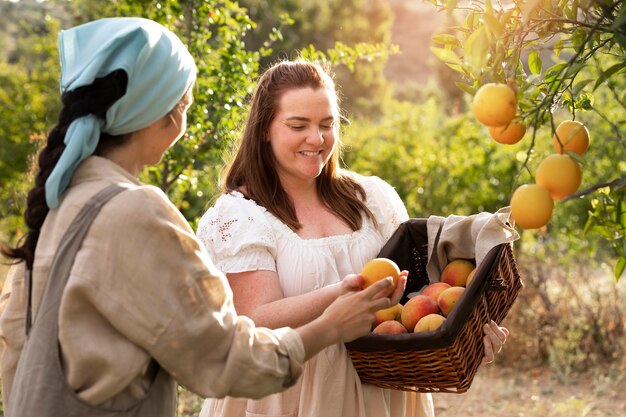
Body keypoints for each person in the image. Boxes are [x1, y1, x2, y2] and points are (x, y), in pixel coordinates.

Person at [0, 18, 406, 417]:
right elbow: (222, 357)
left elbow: (14, 346)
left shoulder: (61, 201)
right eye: (185, 104)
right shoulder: (136, 212)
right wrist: (328, 328)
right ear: (166, 113)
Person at [196, 59, 510, 417]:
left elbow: (417, 299)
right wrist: (341, 294)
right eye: (298, 125)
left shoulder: (371, 199)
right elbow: (253, 319)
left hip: (380, 394)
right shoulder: (242, 215)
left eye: (327, 125)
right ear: (264, 129)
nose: (316, 139)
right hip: (287, 397)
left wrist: (462, 332)